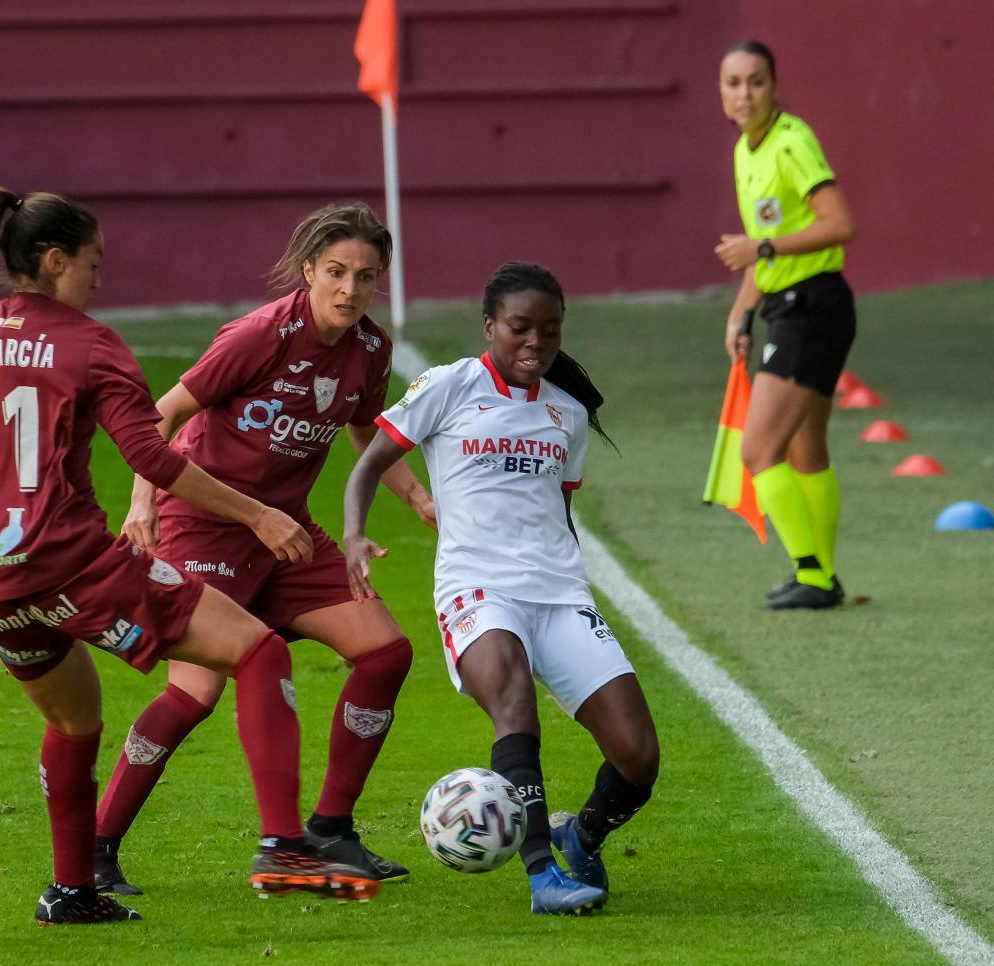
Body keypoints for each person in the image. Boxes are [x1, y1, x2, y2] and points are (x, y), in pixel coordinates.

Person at [0, 165, 381, 925]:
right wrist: (259, 516)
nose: (98, 278)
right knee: (260, 652)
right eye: (94, 263)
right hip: (76, 565)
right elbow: (153, 460)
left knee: (74, 722)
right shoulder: (91, 345)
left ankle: (71, 891)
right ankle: (285, 846)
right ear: (57, 260)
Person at [93, 201, 434, 894]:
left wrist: (421, 500)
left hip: (284, 534)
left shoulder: (371, 349)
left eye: (365, 277)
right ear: (308, 269)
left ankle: (331, 830)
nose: (349, 289)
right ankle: (97, 847)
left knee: (385, 653)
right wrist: (141, 504)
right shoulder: (259, 335)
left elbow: (367, 431)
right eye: (335, 272)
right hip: (205, 524)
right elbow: (158, 417)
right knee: (195, 692)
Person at [343, 262, 660, 916]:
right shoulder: (447, 386)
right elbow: (371, 461)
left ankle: (583, 834)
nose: (535, 343)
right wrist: (353, 533)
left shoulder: (566, 414)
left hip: (560, 593)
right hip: (477, 588)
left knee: (639, 756)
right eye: (520, 328)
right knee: (513, 695)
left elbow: (558, 509)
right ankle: (543, 875)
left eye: (549, 331)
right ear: (490, 326)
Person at [715, 39, 857, 610]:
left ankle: (812, 574)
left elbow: (841, 222)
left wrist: (763, 245)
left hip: (813, 308)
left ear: (775, 87)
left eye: (756, 82)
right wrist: (742, 311)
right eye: (734, 83)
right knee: (806, 451)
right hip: (792, 307)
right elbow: (762, 254)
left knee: (759, 449)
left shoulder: (792, 142)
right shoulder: (745, 150)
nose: (744, 94)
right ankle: (824, 576)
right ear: (721, 91)